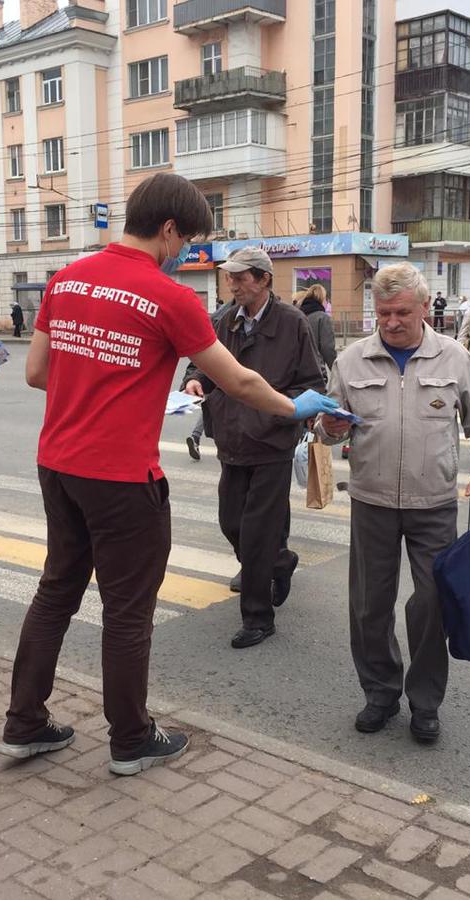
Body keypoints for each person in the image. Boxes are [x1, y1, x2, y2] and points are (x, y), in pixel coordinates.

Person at [0, 173, 337, 775]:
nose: (185, 255)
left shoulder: (65, 280)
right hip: (124, 477)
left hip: (58, 464)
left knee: (56, 592)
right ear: (170, 228)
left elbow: (36, 373)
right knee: (128, 612)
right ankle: (131, 739)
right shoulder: (169, 297)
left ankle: (24, 724)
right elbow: (237, 380)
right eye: (187, 242)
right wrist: (294, 407)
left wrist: (99, 382)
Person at [316, 263, 470, 743]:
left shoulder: (454, 358)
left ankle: (424, 701)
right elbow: (325, 423)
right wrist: (328, 428)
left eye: (402, 312)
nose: (392, 322)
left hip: (434, 504)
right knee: (368, 605)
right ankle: (380, 691)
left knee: (432, 604)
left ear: (426, 308)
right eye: (383, 313)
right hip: (372, 502)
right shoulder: (352, 361)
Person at [182, 248, 325, 649]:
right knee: (232, 522)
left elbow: (311, 383)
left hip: (272, 442)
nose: (232, 284)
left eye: (240, 277)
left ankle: (259, 618)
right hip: (231, 438)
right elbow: (202, 364)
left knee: (259, 533)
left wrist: (276, 415)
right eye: (230, 277)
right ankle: (281, 562)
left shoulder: (292, 322)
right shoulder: (224, 320)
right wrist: (194, 381)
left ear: (263, 279)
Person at [186, 298, 234, 462]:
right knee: (215, 403)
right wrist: (195, 377)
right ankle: (201, 438)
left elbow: (199, 354)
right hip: (226, 372)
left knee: (212, 402)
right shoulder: (228, 316)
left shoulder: (219, 314)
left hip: (214, 371)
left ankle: (196, 436)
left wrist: (193, 377)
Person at [299, 284, 337, 377]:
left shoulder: (297, 315)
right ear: (322, 299)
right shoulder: (322, 318)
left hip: (296, 370)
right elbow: (327, 348)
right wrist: (337, 371)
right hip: (315, 371)